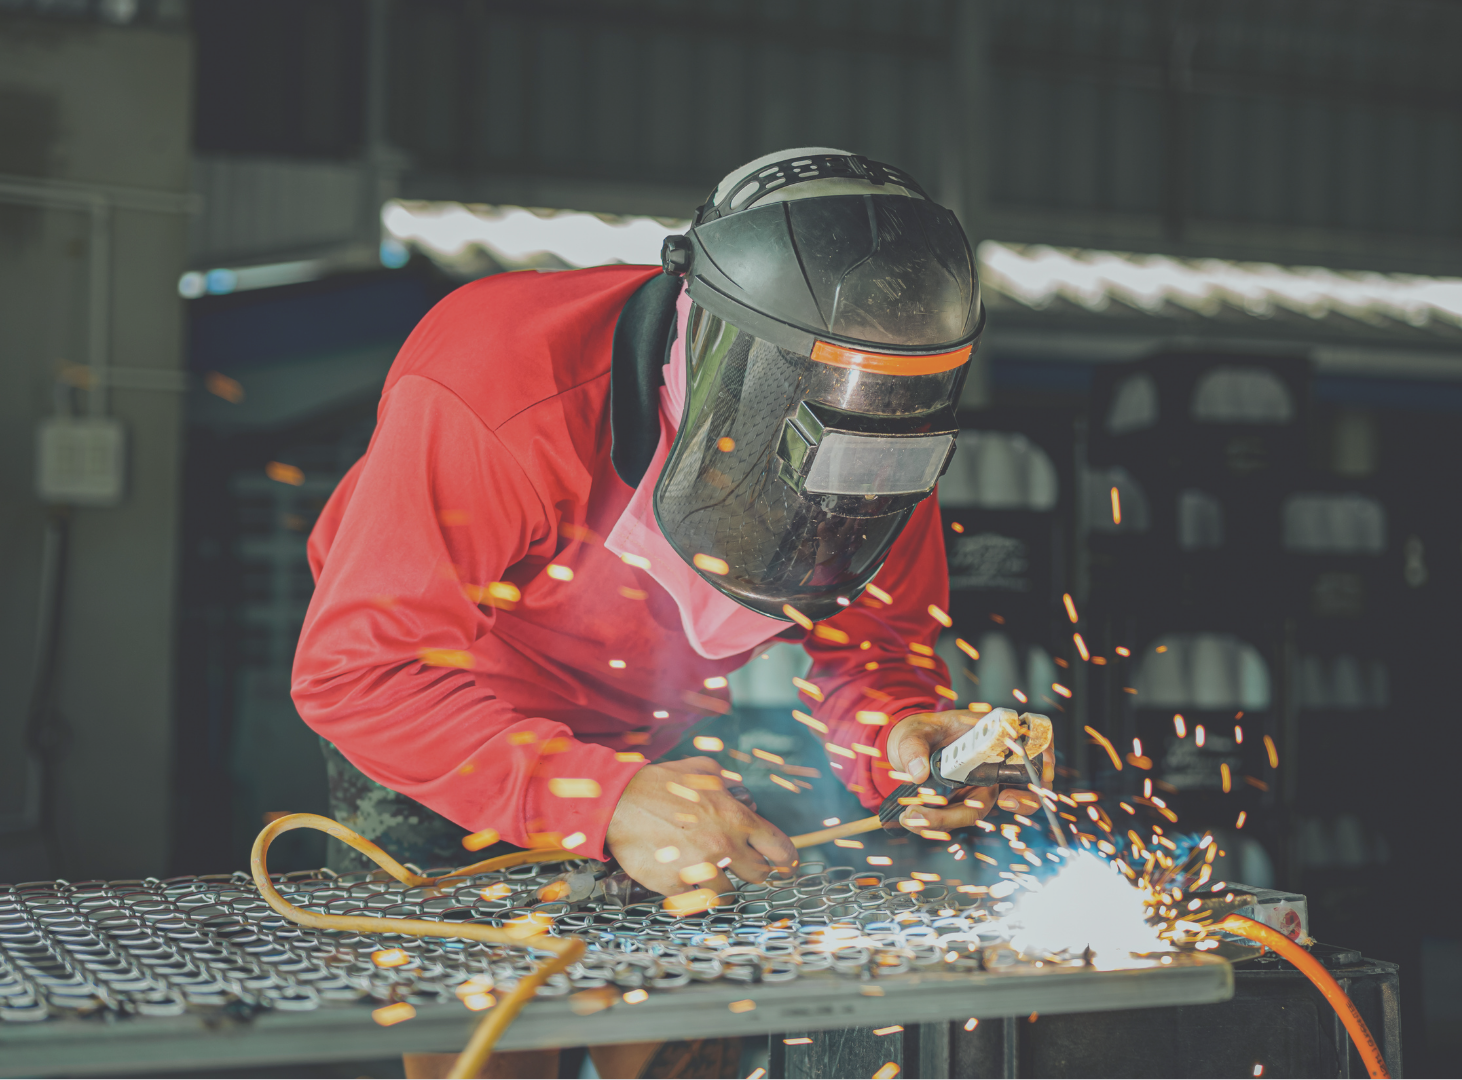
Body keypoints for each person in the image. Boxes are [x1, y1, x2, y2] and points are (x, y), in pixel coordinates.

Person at [292, 148, 1041, 1079]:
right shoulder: (501, 381)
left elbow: (874, 651)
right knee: (493, 1042)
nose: (861, 441)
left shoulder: (880, 445)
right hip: (451, 725)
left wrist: (904, 738)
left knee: (679, 1042)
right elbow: (359, 674)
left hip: (651, 746)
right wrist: (600, 799)